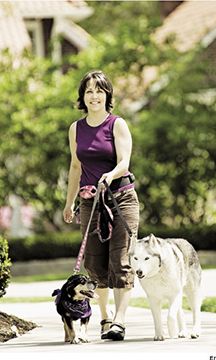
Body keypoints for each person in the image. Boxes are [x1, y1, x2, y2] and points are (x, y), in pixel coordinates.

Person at [63, 70, 139, 341]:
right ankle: (105, 317)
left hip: (120, 199)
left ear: (107, 95)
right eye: (89, 91)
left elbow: (124, 163)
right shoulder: (76, 128)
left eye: (99, 90)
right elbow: (75, 166)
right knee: (95, 263)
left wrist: (110, 175)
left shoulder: (117, 124)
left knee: (120, 259)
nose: (94, 96)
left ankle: (120, 321)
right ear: (83, 96)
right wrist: (69, 202)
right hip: (89, 202)